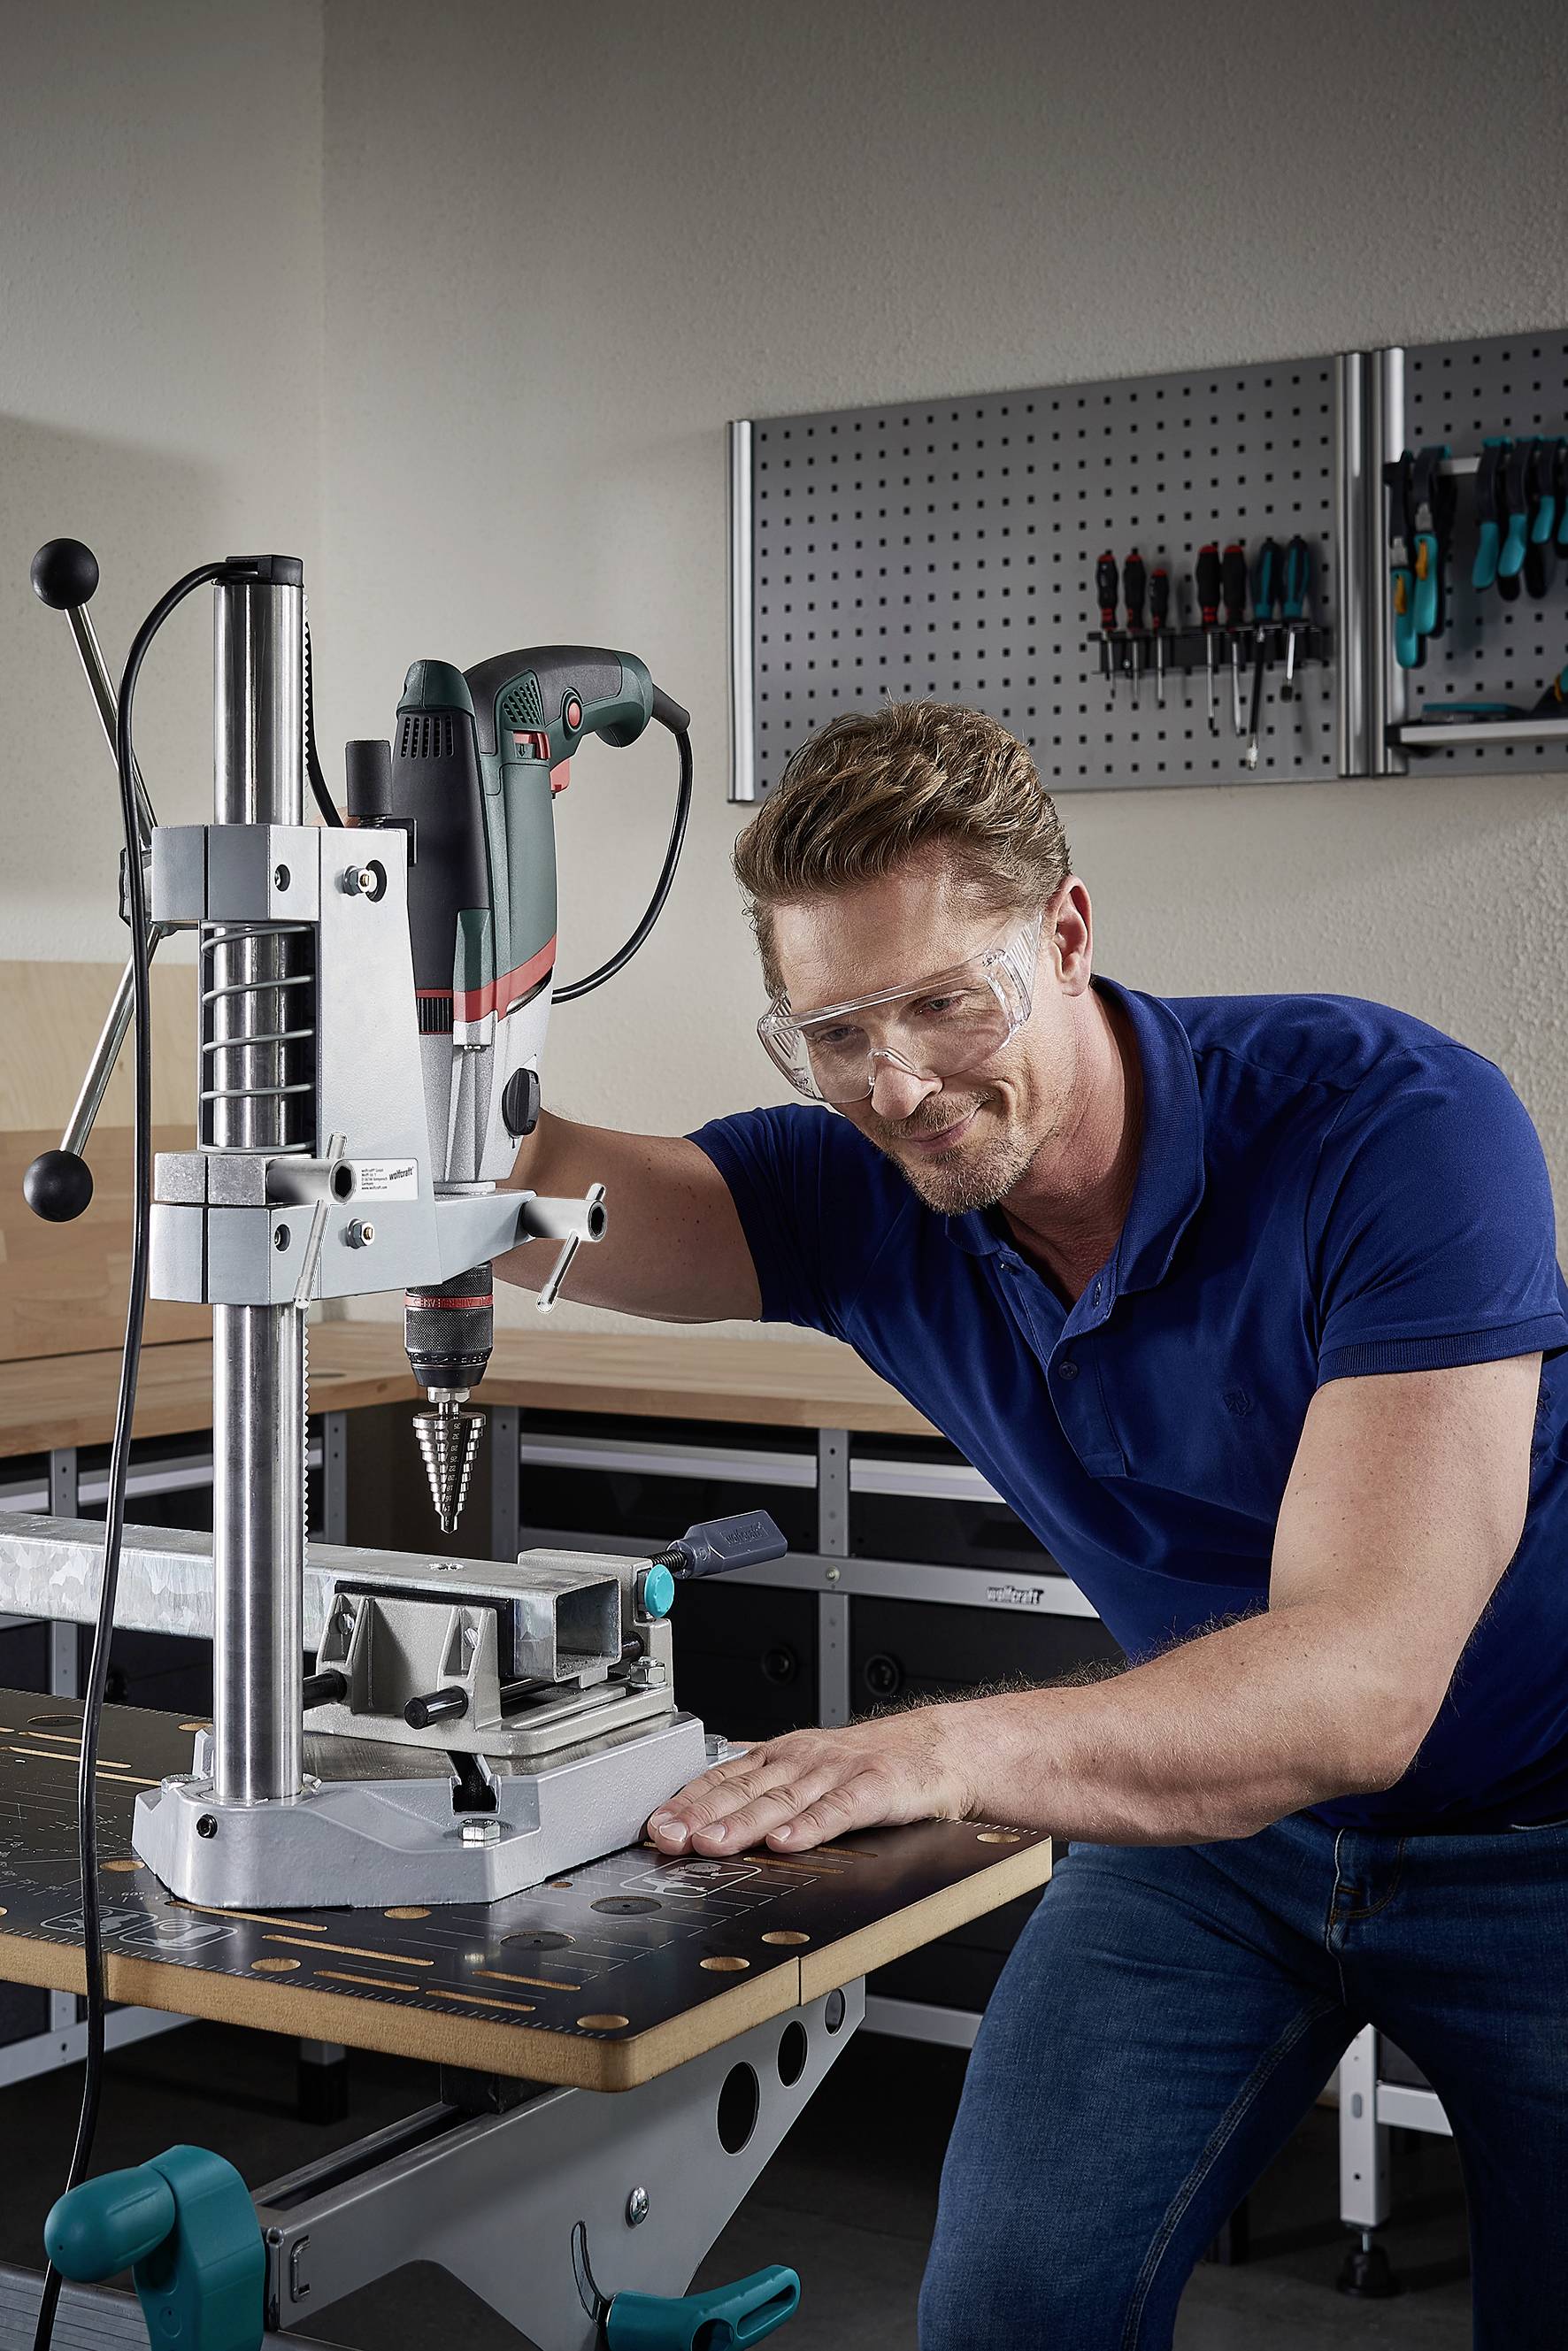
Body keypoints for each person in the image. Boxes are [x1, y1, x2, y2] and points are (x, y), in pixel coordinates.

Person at [501, 700, 1568, 2347]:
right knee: (1008, 2313)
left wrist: (943, 1751)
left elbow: (1366, 1681)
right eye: (832, 1032)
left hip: (1543, 1824)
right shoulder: (862, 1190)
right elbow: (530, 1194)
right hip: (1216, 1850)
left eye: (942, 1001)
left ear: (1066, 935)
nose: (900, 1082)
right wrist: (419, 990)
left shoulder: (1396, 1126)